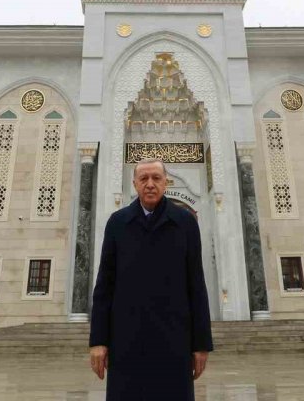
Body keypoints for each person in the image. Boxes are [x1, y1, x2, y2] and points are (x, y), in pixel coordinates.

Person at [89, 158, 213, 400]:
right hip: (127, 341)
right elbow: (104, 286)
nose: (150, 184)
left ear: (166, 182)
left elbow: (196, 285)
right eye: (143, 178)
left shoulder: (185, 223)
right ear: (134, 184)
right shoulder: (118, 223)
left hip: (173, 341)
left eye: (156, 178)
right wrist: (98, 341)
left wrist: (201, 344)